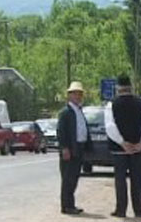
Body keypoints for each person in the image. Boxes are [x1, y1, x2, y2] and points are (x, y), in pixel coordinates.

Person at [105, 75, 141, 218]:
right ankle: (139, 210)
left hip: (119, 149)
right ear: (131, 87)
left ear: (117, 88)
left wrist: (122, 142)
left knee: (120, 180)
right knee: (137, 180)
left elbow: (110, 126)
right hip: (137, 147)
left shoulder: (111, 104)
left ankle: (121, 209)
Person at [57, 81, 92, 215]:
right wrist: (64, 148)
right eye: (75, 94)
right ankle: (66, 206)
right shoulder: (66, 112)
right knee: (68, 178)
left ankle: (70, 204)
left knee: (74, 177)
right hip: (70, 148)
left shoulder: (78, 110)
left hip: (79, 147)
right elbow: (61, 132)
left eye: (80, 94)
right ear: (70, 95)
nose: (78, 96)